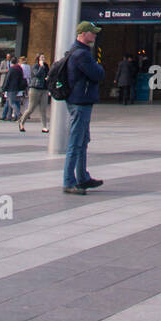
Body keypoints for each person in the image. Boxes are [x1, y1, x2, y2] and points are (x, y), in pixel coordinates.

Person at [62, 22, 105, 195]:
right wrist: (99, 67)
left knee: (82, 141)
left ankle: (82, 177)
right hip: (80, 102)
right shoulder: (82, 55)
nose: (95, 36)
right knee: (75, 142)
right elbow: (98, 74)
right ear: (83, 34)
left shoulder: (78, 52)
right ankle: (69, 181)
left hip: (80, 101)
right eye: (93, 33)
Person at [19, 54, 50, 131]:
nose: (43, 59)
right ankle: (22, 122)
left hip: (44, 89)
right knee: (31, 108)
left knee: (43, 109)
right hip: (35, 88)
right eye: (41, 57)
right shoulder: (35, 66)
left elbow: (48, 75)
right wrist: (41, 66)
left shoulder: (46, 66)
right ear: (38, 58)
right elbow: (37, 74)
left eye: (44, 57)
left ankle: (44, 127)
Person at [2, 56, 26, 121]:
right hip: (17, 88)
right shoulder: (20, 68)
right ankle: (9, 116)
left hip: (11, 88)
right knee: (13, 101)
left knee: (11, 102)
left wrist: (4, 88)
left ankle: (18, 114)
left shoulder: (11, 69)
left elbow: (7, 79)